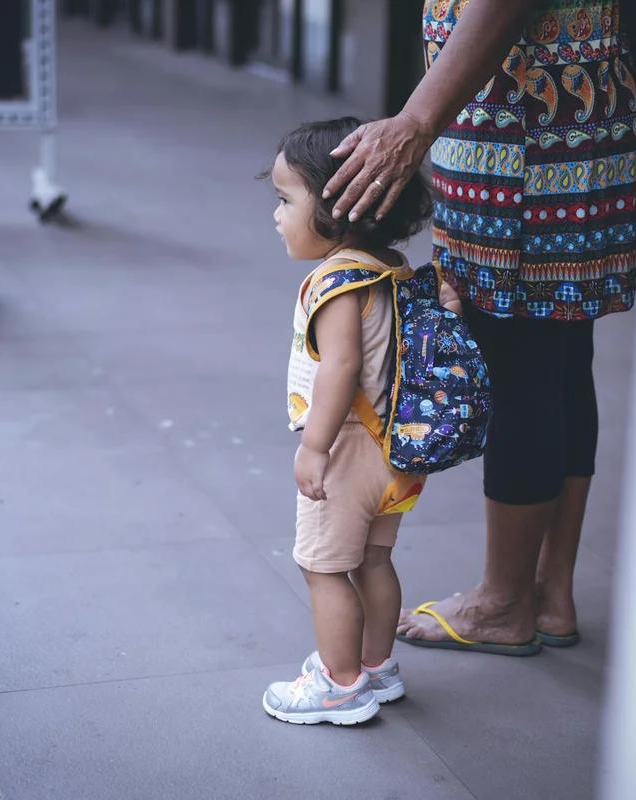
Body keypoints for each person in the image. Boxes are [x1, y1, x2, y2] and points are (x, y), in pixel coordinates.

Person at [323, 1, 636, 654]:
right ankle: (549, 593)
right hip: (582, 122)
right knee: (561, 353)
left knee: (519, 363)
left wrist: (415, 121)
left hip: (519, 142)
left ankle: (503, 603)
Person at [260, 118, 461, 725]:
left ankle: (340, 685)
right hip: (394, 451)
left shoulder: (334, 281)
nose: (276, 215)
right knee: (374, 560)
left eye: (285, 200)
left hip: (348, 450)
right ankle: (377, 666)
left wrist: (314, 448)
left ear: (337, 207)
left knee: (322, 567)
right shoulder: (390, 267)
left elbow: (341, 367)